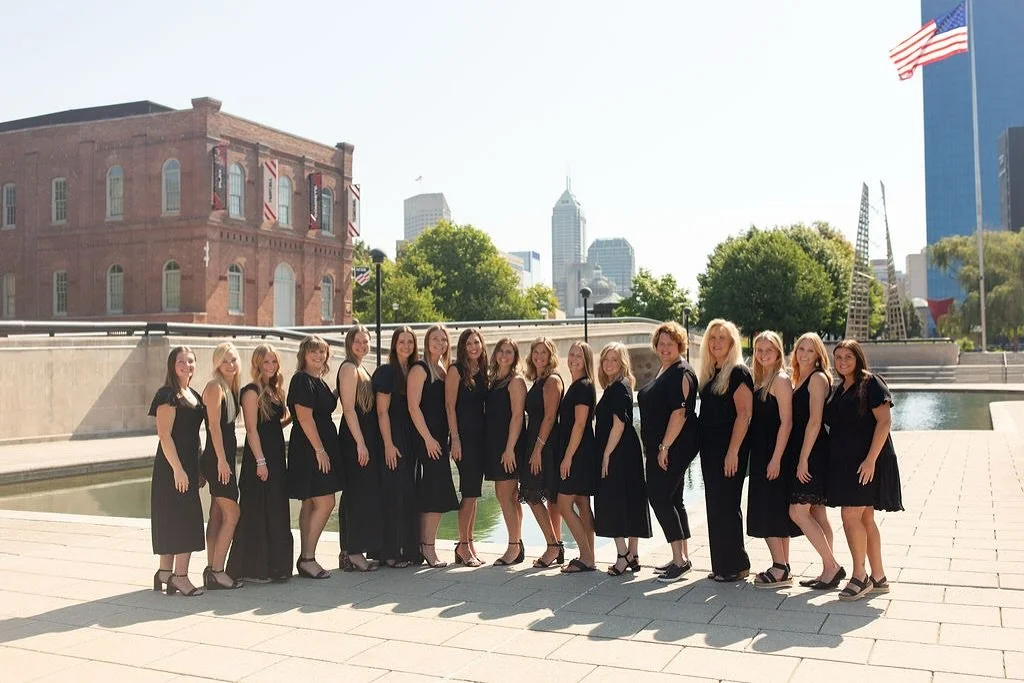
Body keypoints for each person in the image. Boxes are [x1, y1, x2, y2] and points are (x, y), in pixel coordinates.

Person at [826, 339, 904, 601]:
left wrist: (871, 460)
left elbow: (884, 422)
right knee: (865, 518)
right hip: (846, 464)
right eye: (838, 357)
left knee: (850, 516)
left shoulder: (871, 383)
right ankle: (879, 576)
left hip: (866, 463)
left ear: (858, 358)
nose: (843, 361)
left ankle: (860, 575)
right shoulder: (841, 388)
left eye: (848, 356)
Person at [637, 321, 699, 583]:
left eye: (669, 344)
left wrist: (664, 447)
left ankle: (679, 560)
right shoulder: (666, 369)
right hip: (662, 446)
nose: (664, 348)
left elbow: (680, 412)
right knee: (674, 499)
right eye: (660, 343)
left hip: (672, 446)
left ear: (679, 345)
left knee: (659, 497)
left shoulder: (681, 372)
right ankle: (682, 556)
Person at [226, 344, 294, 583]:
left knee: (276, 508)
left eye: (274, 362)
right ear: (257, 364)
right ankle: (252, 569)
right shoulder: (251, 391)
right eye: (266, 362)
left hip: (276, 455)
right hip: (260, 458)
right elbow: (252, 430)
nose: (271, 366)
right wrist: (261, 461)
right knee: (257, 508)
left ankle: (277, 568)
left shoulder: (274, 390)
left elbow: (273, 424)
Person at [787, 332, 844, 590]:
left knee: (797, 511)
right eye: (801, 349)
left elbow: (814, 421)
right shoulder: (800, 379)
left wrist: (803, 459)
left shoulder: (818, 378)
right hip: (807, 450)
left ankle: (832, 566)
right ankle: (827, 571)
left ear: (818, 354)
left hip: (813, 452)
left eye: (810, 350)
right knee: (818, 513)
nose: (805, 354)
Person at [698, 318, 753, 583]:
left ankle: (737, 565)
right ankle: (721, 564)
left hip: (730, 449)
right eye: (712, 338)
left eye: (722, 338)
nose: (716, 343)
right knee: (715, 505)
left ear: (732, 343)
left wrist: (733, 452)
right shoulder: (711, 374)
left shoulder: (738, 372)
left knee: (728, 505)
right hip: (710, 451)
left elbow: (744, 415)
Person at [746, 331, 802, 588]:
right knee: (774, 510)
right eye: (759, 350)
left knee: (767, 510)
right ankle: (783, 566)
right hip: (762, 452)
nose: (763, 354)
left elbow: (787, 422)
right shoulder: (761, 379)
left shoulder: (779, 380)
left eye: (769, 350)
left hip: (773, 453)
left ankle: (779, 566)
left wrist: (776, 458)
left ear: (778, 353)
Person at [149, 346, 206, 597]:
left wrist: (200, 466)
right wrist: (179, 470)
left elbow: (195, 435)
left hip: (189, 466)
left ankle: (164, 573)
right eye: (181, 361)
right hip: (172, 467)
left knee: (176, 518)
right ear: (173, 366)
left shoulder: (193, 394)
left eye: (190, 361)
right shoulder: (167, 394)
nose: (186, 365)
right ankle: (180, 577)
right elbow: (164, 435)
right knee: (184, 520)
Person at [593, 343, 652, 576]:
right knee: (630, 499)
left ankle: (622, 554)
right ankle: (633, 555)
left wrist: (606, 453)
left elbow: (619, 423)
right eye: (606, 360)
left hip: (617, 451)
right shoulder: (619, 385)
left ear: (622, 363)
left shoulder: (619, 387)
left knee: (612, 500)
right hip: (626, 451)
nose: (609, 364)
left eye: (614, 360)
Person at [287, 335, 342, 579]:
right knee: (325, 501)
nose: (318, 356)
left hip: (317, 446)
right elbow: (305, 418)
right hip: (311, 448)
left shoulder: (317, 380)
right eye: (313, 352)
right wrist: (320, 451)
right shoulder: (302, 380)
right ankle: (308, 557)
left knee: (310, 502)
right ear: (304, 355)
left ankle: (306, 556)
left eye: (322, 352)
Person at [408, 324, 460, 568]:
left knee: (433, 492)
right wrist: (428, 438)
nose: (440, 343)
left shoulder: (443, 369)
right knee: (434, 493)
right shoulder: (420, 369)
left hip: (439, 438)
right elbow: (413, 406)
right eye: (435, 339)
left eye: (444, 340)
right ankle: (428, 547)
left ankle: (422, 545)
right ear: (427, 342)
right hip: (426, 439)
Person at [373, 327, 421, 568]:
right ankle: (391, 552)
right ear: (394, 344)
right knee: (394, 494)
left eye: (410, 342)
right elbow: (381, 412)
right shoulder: (386, 372)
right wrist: (388, 445)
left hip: (410, 438)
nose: (406, 345)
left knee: (407, 492)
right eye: (401, 341)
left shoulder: (413, 370)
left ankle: (408, 549)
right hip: (393, 438)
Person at [336, 325, 382, 572]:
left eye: (366, 342)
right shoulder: (349, 368)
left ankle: (350, 550)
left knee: (358, 494)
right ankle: (354, 551)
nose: (362, 346)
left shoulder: (360, 367)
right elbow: (349, 408)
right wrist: (360, 443)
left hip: (362, 436)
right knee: (357, 494)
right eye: (358, 342)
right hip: (355, 438)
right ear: (349, 343)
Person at [199, 342, 243, 590]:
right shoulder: (215, 387)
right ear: (217, 363)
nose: (230, 364)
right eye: (225, 360)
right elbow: (213, 426)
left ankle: (211, 568)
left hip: (220, 458)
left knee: (216, 514)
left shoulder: (229, 387)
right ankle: (217, 570)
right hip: (219, 459)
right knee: (232, 513)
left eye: (234, 359)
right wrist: (223, 461)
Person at [445, 328, 488, 566]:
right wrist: (456, 439)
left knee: (475, 494)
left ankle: (469, 543)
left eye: (477, 343)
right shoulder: (456, 370)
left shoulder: (481, 372)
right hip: (464, 441)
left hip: (480, 440)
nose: (474, 347)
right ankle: (462, 545)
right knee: (469, 493)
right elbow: (450, 406)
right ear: (463, 347)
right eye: (469, 343)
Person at [521, 337, 564, 568]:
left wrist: (537, 449)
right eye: (535, 352)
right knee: (547, 496)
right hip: (537, 442)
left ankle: (553, 545)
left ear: (550, 356)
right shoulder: (538, 380)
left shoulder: (551, 380)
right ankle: (555, 546)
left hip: (544, 445)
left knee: (533, 494)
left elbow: (549, 417)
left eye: (543, 353)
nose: (539, 356)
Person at [484, 337, 528, 566]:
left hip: (509, 447)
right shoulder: (494, 380)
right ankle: (517, 544)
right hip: (496, 445)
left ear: (515, 356)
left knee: (504, 496)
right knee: (510, 497)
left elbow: (518, 416)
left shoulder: (515, 381)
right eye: (500, 351)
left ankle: (513, 547)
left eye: (509, 352)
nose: (504, 355)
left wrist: (510, 449)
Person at [557, 341, 598, 574]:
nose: (573, 359)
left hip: (578, 453)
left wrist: (567, 457)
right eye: (571, 354)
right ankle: (589, 555)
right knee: (582, 503)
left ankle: (585, 556)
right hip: (581, 451)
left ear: (586, 361)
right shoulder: (579, 384)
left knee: (564, 503)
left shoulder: (582, 386)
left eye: (579, 356)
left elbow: (580, 424)